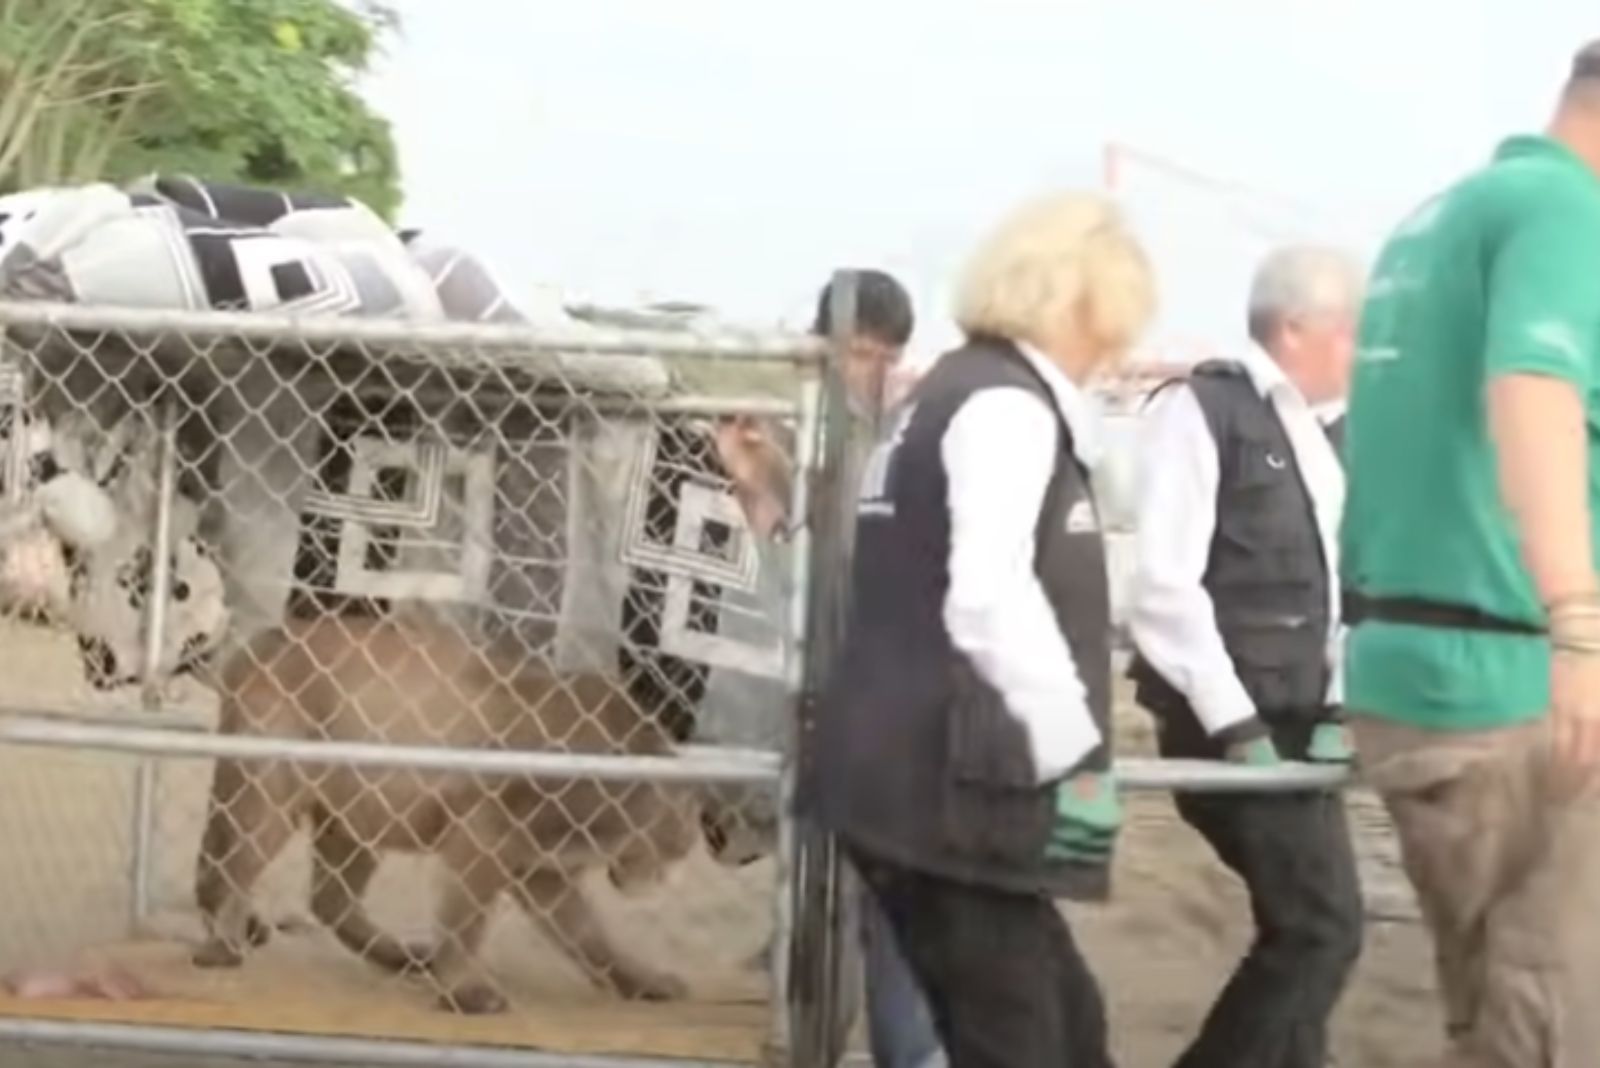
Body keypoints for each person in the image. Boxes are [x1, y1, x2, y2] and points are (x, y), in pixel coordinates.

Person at [805, 191, 1155, 1068]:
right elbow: (988, 594)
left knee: (1068, 1027)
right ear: (1073, 301)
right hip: (947, 798)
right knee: (1027, 1040)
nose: (1116, 351)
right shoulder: (1005, 409)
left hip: (905, 783)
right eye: (1111, 323)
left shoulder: (942, 400)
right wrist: (1074, 755)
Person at [1340, 42, 1600, 1067]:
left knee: (1489, 1024)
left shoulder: (1439, 221)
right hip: (1522, 691)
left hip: (1415, 687)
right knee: (1556, 1033)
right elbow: (1532, 390)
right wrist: (1579, 629)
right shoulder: (1564, 212)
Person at [1126, 244, 1365, 1068]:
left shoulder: (1330, 434)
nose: (1361, 352)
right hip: (1230, 724)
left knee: (1309, 926)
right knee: (1320, 926)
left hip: (1302, 726)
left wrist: (1338, 701)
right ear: (1298, 327)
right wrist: (1234, 722)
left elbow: (1342, 586)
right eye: (1352, 331)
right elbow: (1162, 586)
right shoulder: (1201, 410)